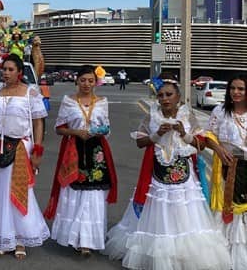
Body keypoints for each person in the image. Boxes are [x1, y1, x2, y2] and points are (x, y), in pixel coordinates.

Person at [105, 72, 230, 270]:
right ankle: (159, 252)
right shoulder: (152, 115)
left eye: (169, 95)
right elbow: (140, 141)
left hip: (184, 175)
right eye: (161, 95)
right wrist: (157, 134)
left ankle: (183, 253)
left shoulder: (187, 115)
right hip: (158, 174)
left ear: (178, 97)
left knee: (184, 211)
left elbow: (201, 144)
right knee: (158, 209)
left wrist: (183, 133)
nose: (164, 99)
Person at [0, 54, 48, 259]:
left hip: (21, 147)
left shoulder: (30, 94)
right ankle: (2, 237)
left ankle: (20, 238)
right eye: (4, 69)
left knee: (19, 191)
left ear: (19, 72)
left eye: (10, 69)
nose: (5, 73)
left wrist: (37, 150)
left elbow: (38, 123)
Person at [44, 65, 117, 256]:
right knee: (73, 192)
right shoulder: (68, 101)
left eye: (90, 81)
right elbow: (59, 128)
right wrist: (76, 132)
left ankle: (89, 240)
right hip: (74, 149)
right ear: (77, 81)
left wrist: (98, 131)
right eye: (83, 80)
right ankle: (75, 237)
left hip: (96, 151)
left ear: (96, 82)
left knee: (94, 195)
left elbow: (107, 128)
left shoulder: (102, 102)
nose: (86, 84)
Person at [205, 74, 247, 268]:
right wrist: (219, 149)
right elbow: (208, 135)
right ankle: (221, 259)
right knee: (224, 211)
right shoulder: (220, 111)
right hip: (225, 166)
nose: (236, 93)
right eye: (233, 88)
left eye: (241, 89)